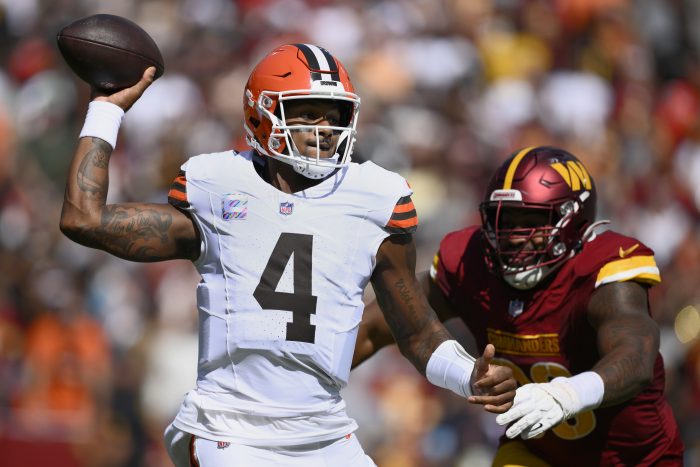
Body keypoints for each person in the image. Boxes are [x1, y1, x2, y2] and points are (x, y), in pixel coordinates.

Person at [59, 43, 516, 467]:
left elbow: (416, 332)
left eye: (333, 116)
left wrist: (469, 375)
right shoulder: (219, 187)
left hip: (326, 431)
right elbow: (84, 219)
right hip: (230, 429)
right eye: (308, 114)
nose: (324, 129)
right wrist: (106, 110)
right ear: (261, 114)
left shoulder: (374, 199)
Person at [353, 146, 684, 466]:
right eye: (506, 220)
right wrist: (320, 375)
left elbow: (636, 356)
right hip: (537, 453)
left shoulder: (602, 270)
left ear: (572, 221)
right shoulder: (472, 262)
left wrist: (568, 395)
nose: (513, 236)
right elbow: (381, 324)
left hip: (637, 459)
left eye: (531, 220)